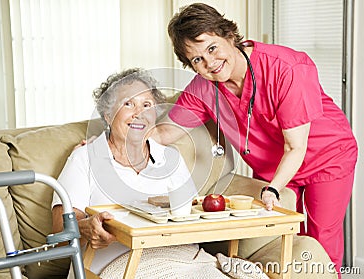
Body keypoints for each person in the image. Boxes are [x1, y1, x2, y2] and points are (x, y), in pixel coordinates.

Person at [153, 3, 358, 277]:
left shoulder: (286, 68)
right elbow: (164, 132)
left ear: (228, 35)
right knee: (278, 239)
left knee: (320, 241)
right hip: (273, 165)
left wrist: (272, 189)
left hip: (326, 156)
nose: (209, 63)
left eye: (212, 48)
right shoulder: (204, 88)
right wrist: (110, 136)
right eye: (197, 60)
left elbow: (295, 147)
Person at [51, 68, 263, 278]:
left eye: (147, 105)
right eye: (128, 104)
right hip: (118, 266)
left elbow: (191, 219)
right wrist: (86, 228)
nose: (139, 113)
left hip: (184, 260)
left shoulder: (170, 158)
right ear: (107, 115)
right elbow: (60, 232)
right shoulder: (84, 158)